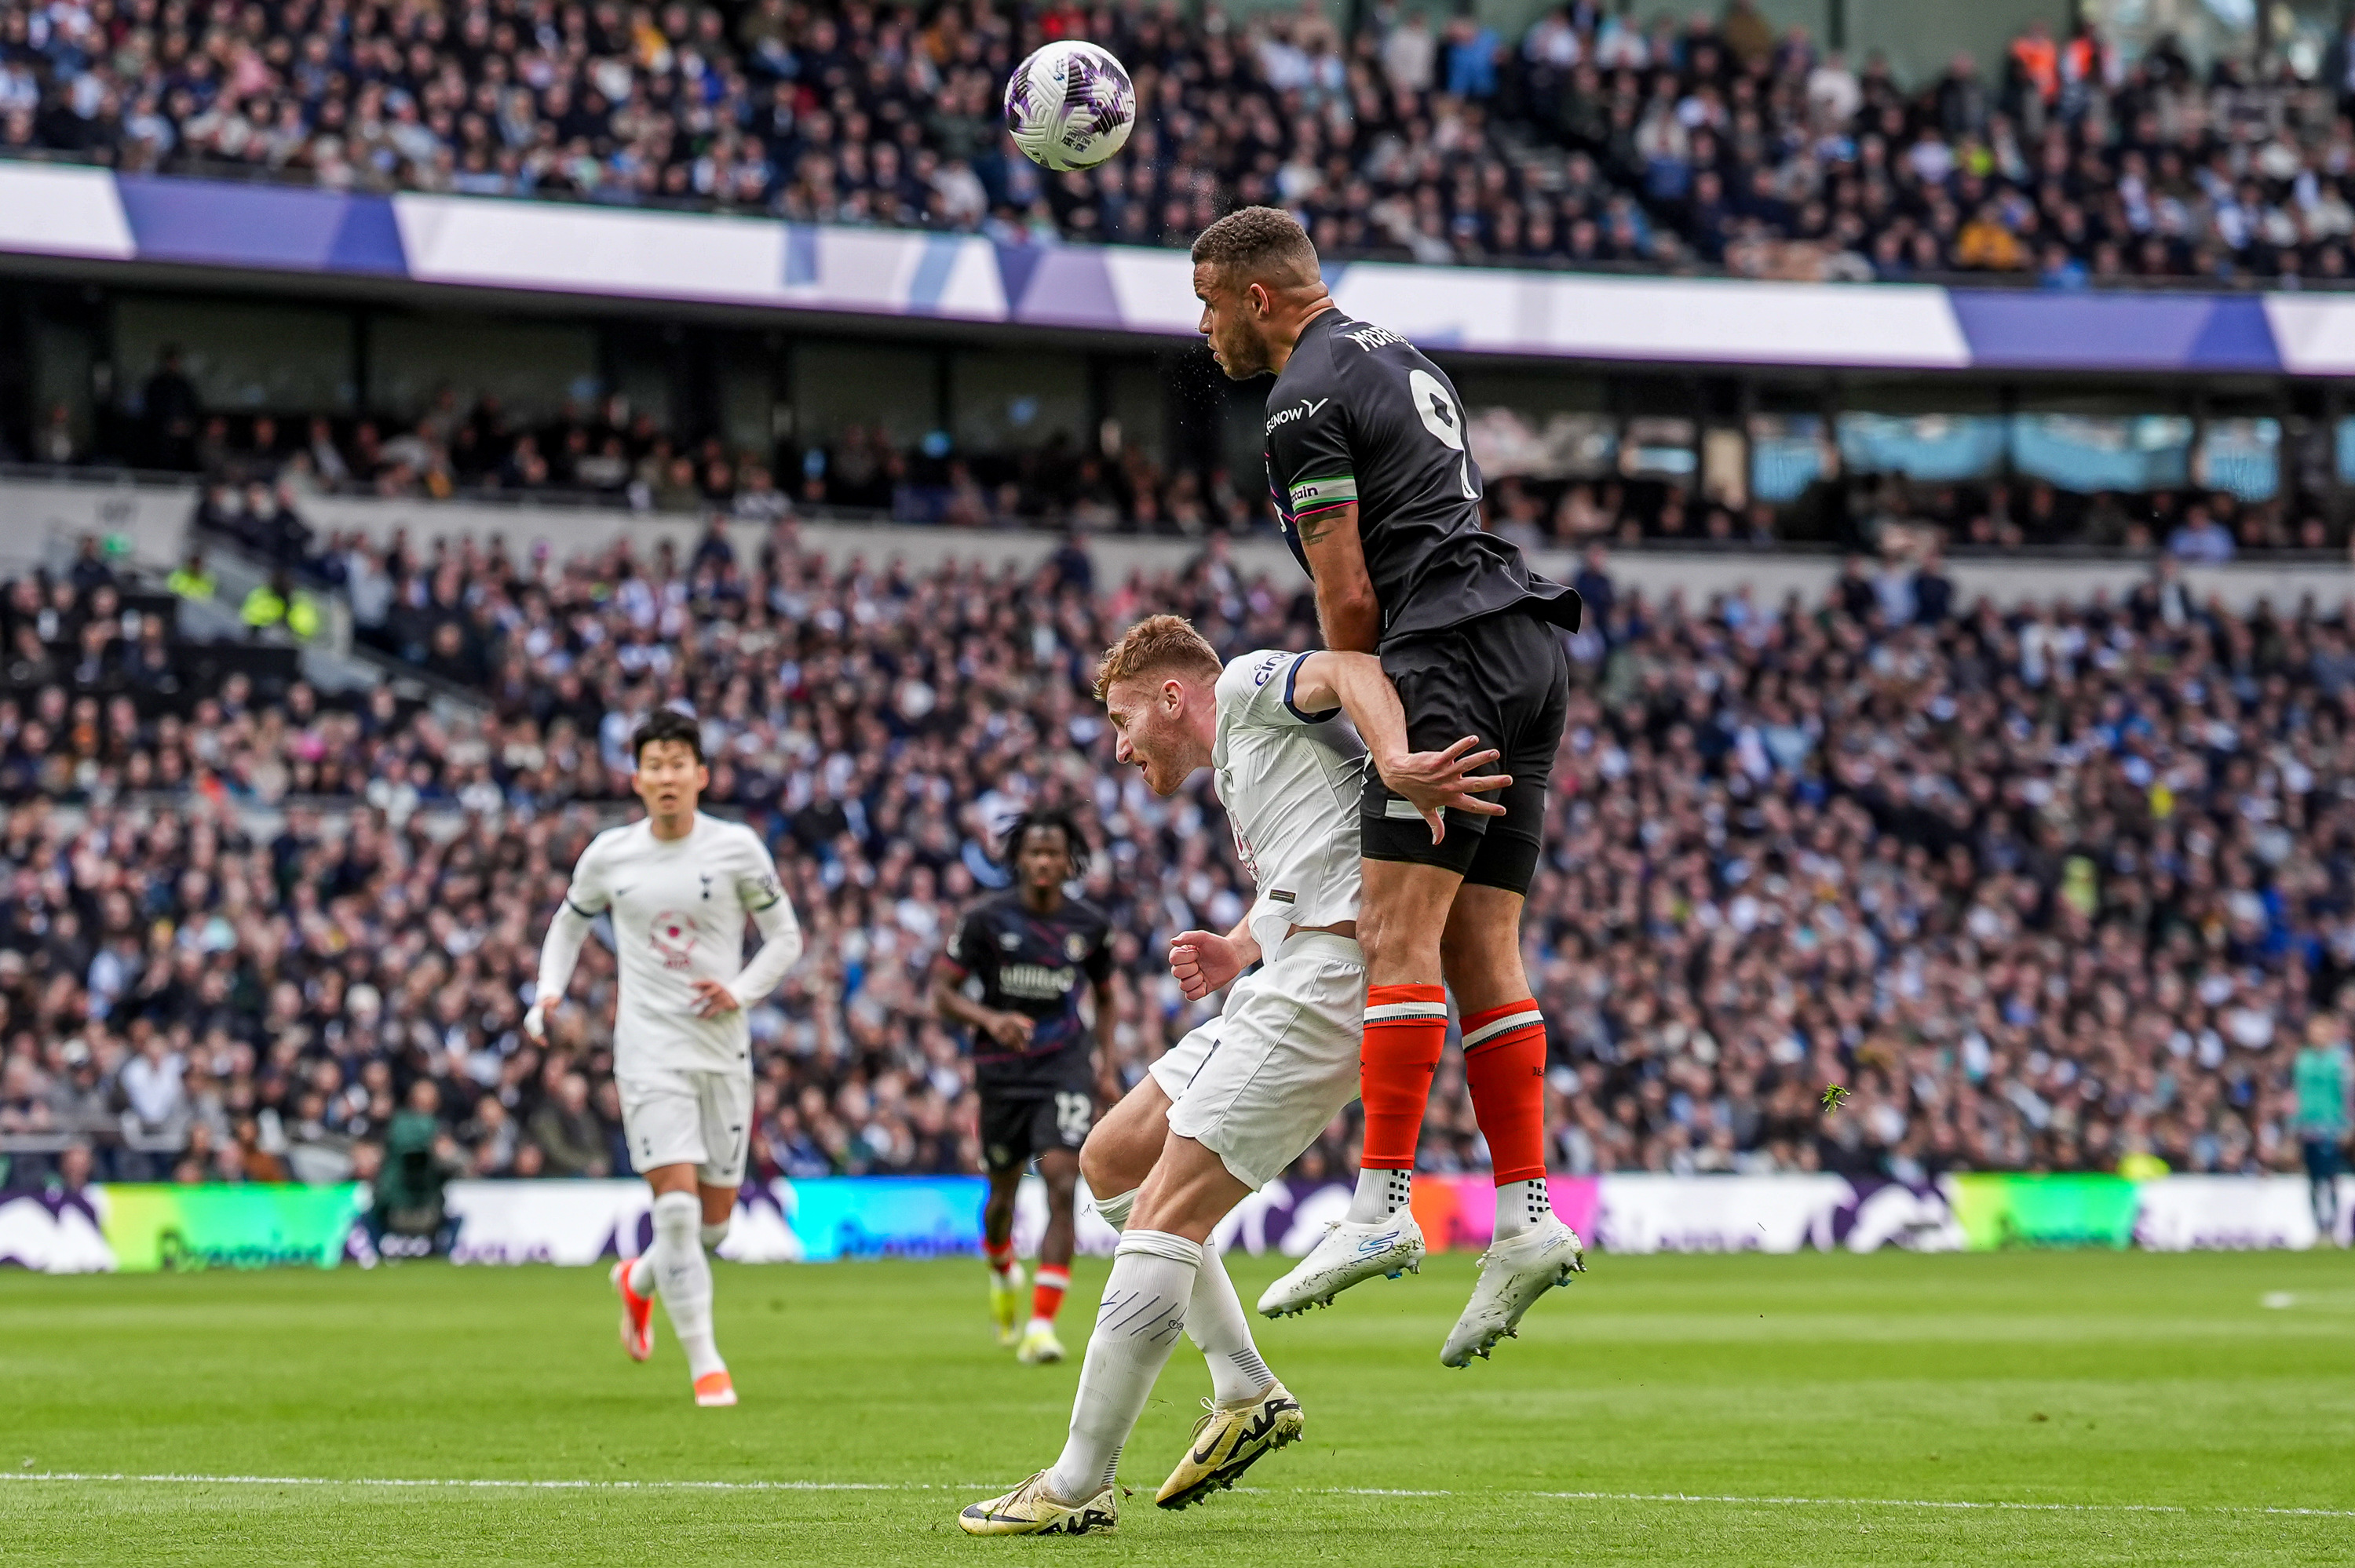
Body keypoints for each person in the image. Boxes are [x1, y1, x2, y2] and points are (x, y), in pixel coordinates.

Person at [958, 614, 1508, 1535]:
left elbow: (1349, 667)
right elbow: (1315, 859)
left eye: (1123, 720)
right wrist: (1239, 944)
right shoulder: (1236, 764)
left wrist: (1402, 758)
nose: (1121, 747)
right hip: (1279, 977)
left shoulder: (1252, 684)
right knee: (1113, 1159)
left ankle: (1076, 1482)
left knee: (1169, 1212)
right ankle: (1245, 1390)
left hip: (1329, 986)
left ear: (1173, 697)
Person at [1188, 206, 1586, 1364]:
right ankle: (1524, 1216)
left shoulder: (1299, 398)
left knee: (1393, 930)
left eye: (1210, 301)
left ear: (1258, 297)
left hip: (1446, 658)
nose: (1204, 327)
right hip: (1528, 648)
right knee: (1483, 947)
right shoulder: (1398, 352)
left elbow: (1349, 598)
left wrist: (1381, 722)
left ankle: (1380, 1205)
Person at [525, 708, 805, 1408]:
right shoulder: (609, 855)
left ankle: (638, 1279)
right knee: (677, 1215)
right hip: (647, 1052)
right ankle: (708, 1367)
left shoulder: (738, 849)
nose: (668, 775)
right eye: (655, 764)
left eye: (679, 762)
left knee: (712, 1225)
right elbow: (567, 924)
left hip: (721, 1054)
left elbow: (785, 939)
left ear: (701, 775)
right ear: (638, 778)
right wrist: (548, 993)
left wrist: (738, 991)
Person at [930, 807, 1116, 1365]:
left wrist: (1106, 1064)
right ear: (1018, 859)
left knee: (1062, 1182)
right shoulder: (986, 919)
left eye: (1052, 853)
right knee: (1001, 1200)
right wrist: (991, 1021)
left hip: (1064, 1064)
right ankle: (1002, 1268)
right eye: (1033, 852)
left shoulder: (1090, 926)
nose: (1042, 862)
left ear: (1069, 861)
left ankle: (1041, 1325)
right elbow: (942, 992)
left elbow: (1106, 997)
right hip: (1002, 1071)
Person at [2294, 1014, 2353, 1242]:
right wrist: (2295, 1125)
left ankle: (2332, 1226)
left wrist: (2346, 1125)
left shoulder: (2338, 1060)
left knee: (2330, 1178)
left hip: (2331, 1127)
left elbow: (2346, 1096)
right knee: (2313, 1179)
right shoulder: (2303, 1059)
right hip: (2308, 1127)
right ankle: (2319, 1228)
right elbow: (2299, 1094)